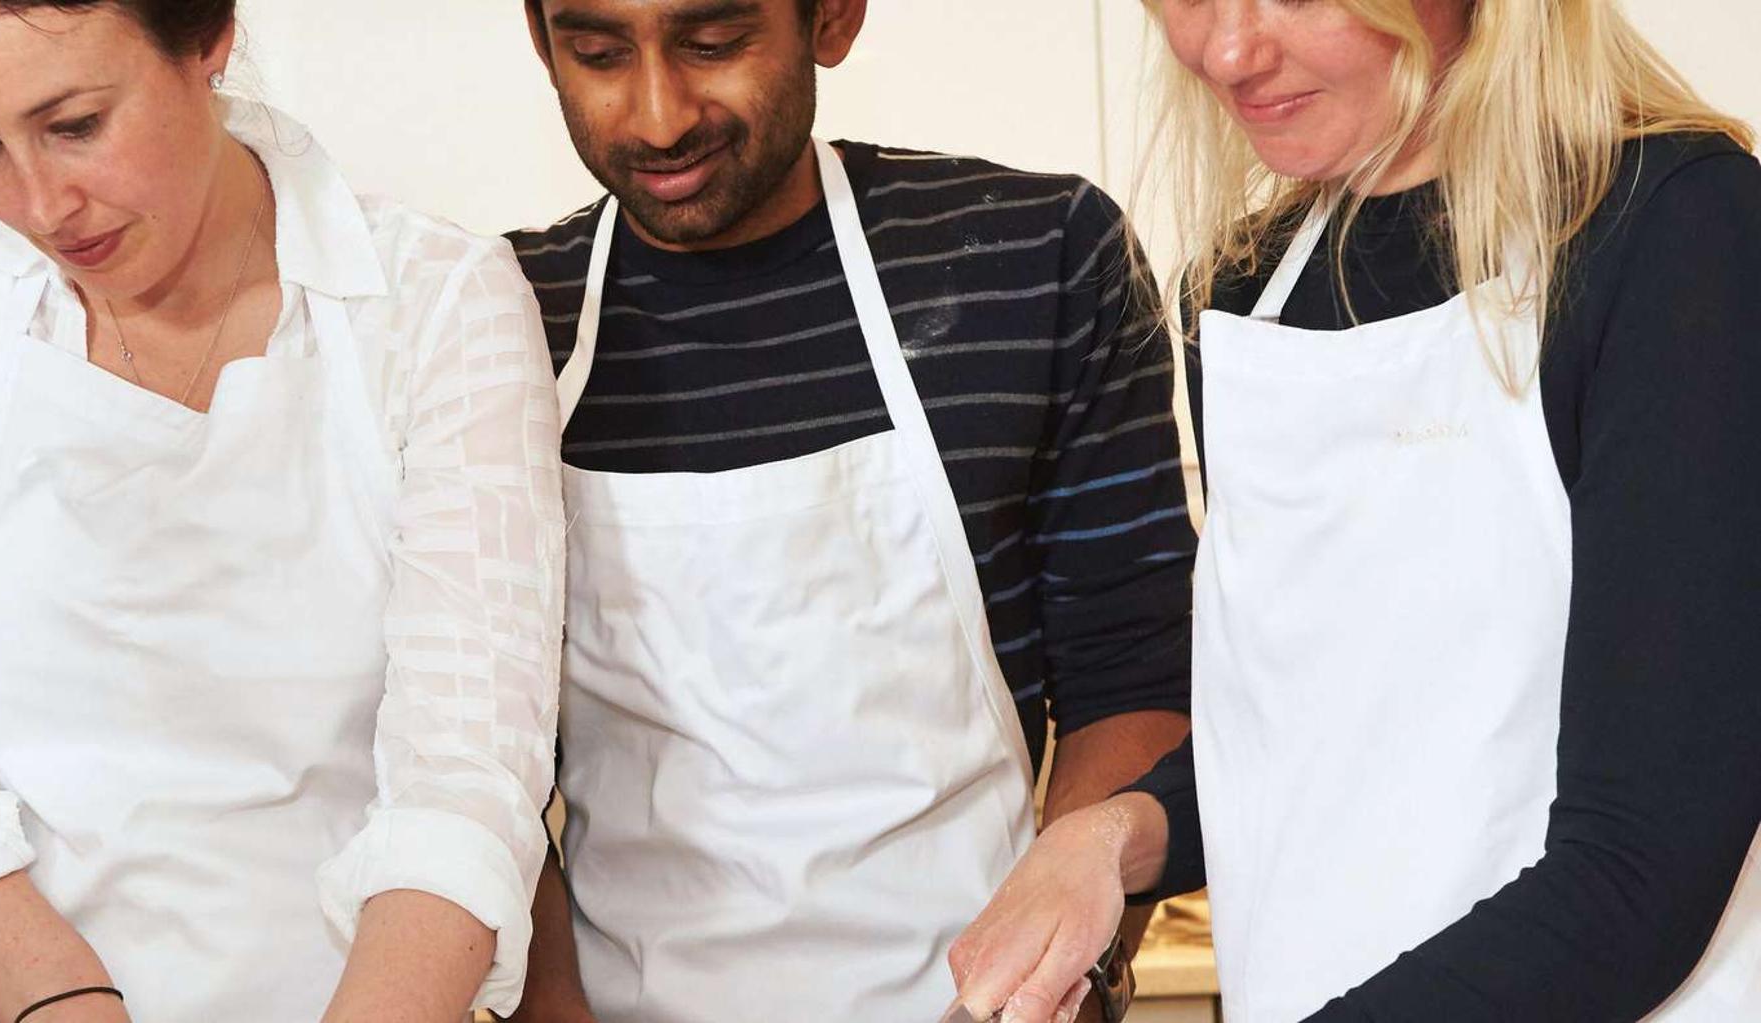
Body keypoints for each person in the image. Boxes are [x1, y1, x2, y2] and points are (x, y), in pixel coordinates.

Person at [949, 1, 1761, 1021]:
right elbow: (1308, 740)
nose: (1228, 52)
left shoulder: (1679, 230)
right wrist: (1112, 837)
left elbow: (1639, 872)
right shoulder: (1242, 293)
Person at [0, 2, 565, 1021]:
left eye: (75, 126)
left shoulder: (434, 300)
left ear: (208, 38)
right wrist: (66, 1002)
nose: (40, 206)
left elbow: (464, 777)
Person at [505, 2, 1197, 1021]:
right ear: (540, 39)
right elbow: (477, 769)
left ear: (830, 17)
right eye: (598, 54)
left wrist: (1053, 987)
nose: (657, 117)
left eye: (712, 44)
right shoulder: (505, 318)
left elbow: (1130, 676)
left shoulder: (1034, 259)